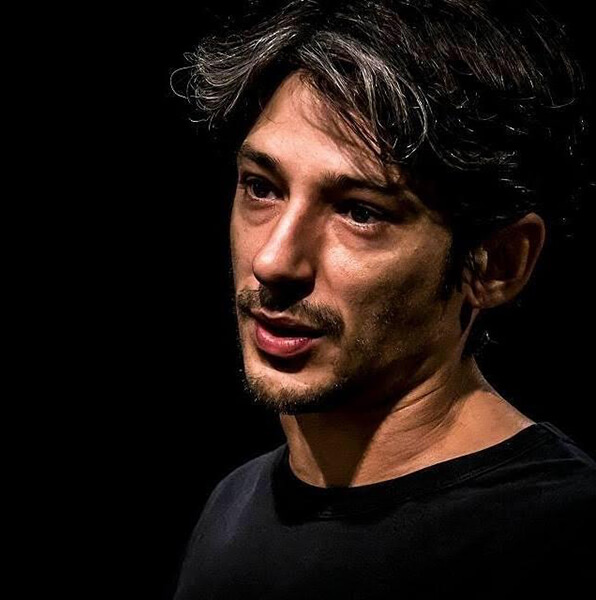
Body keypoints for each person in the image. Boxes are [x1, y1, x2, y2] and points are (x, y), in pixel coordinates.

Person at [169, 1, 595, 598]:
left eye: (360, 212)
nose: (274, 261)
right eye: (262, 188)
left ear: (498, 263)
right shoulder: (232, 507)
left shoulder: (565, 535)